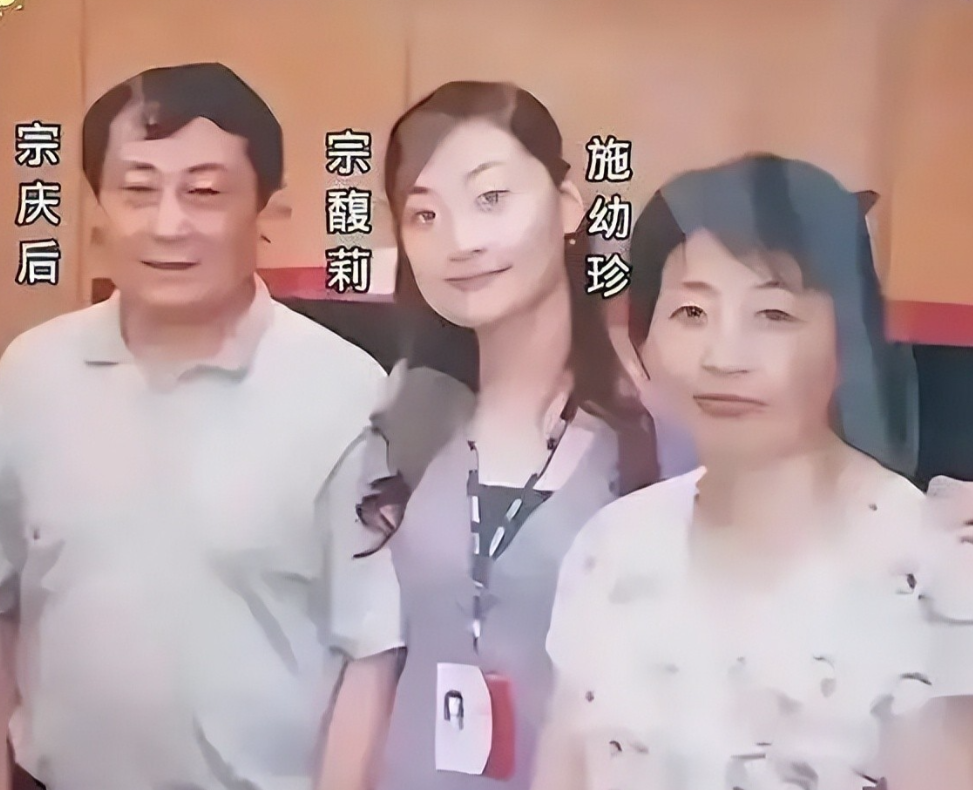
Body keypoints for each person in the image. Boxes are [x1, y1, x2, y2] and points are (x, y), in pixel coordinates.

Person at [0, 62, 402, 790]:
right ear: (98, 205)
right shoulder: (30, 373)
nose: (168, 224)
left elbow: (371, 647)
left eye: (205, 192)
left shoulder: (345, 391)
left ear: (265, 209)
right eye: (137, 190)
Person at [533, 153, 973, 790]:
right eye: (691, 313)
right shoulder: (613, 546)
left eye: (774, 315)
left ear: (848, 340)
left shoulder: (933, 570)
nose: (724, 356)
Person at [323, 81, 693, 790]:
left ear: (568, 203)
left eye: (491, 198)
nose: (461, 241)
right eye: (424, 215)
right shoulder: (409, 417)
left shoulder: (658, 434)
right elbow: (370, 666)